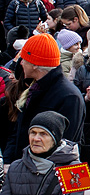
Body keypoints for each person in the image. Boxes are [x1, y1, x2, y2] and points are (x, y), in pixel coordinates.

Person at [4, 33, 85, 162]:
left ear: (35, 64)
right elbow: (17, 131)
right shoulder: (32, 87)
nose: (21, 63)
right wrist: (10, 162)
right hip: (24, 167)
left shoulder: (69, 97)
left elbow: (66, 146)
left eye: (24, 59)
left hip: (46, 175)